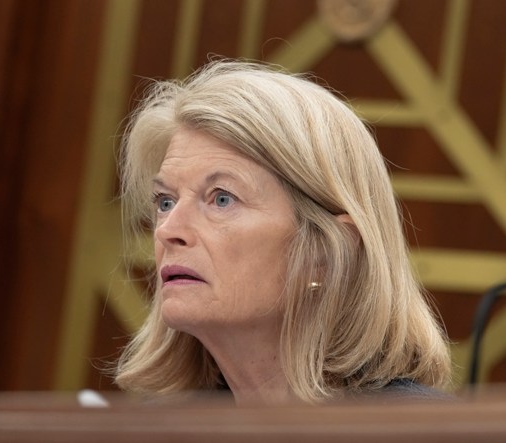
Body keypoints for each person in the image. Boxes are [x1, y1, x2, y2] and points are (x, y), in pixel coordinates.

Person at [114, 59, 451, 405]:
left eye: (222, 199)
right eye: (165, 201)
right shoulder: (162, 430)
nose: (169, 230)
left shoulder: (428, 431)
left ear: (326, 253)